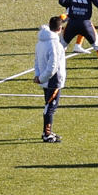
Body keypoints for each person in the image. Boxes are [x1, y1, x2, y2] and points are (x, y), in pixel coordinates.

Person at [35, 14, 67, 143]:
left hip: (44, 78)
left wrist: (39, 76)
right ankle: (46, 134)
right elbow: (53, 66)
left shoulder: (40, 42)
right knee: (50, 107)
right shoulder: (55, 45)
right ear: (60, 29)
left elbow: (36, 61)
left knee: (48, 105)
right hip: (53, 80)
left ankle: (48, 131)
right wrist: (42, 78)